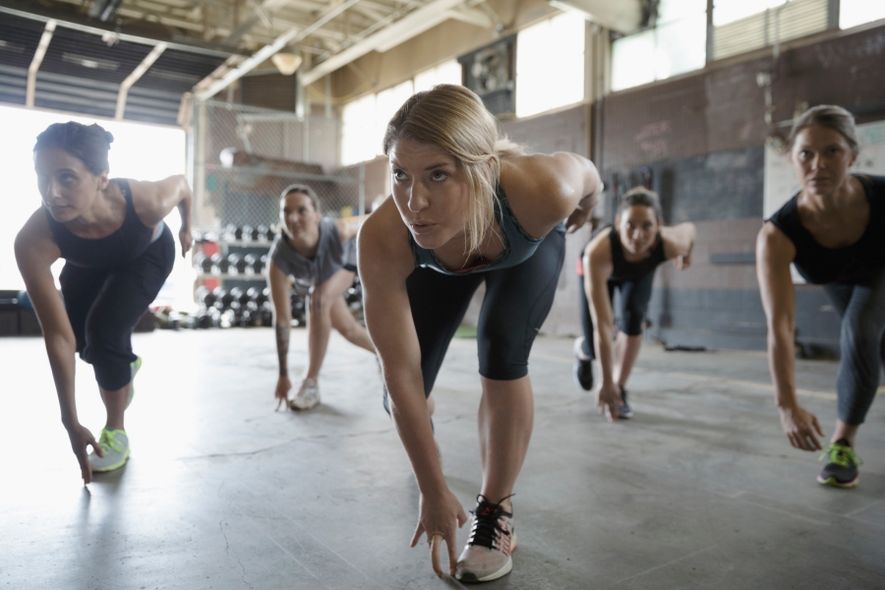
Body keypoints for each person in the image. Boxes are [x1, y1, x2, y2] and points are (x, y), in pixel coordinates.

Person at [358, 84, 602, 583]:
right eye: (400, 174)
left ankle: (495, 513)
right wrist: (431, 486)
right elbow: (400, 374)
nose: (414, 201)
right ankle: (434, 463)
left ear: (483, 168)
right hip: (438, 264)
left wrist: (586, 205)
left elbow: (588, 174)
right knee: (402, 390)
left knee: (501, 348)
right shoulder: (384, 237)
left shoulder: (544, 189)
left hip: (521, 246)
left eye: (438, 175)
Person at [14, 121, 192, 483]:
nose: (52, 193)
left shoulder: (148, 200)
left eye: (67, 178)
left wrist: (188, 226)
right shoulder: (34, 240)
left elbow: (184, 185)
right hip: (88, 262)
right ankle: (124, 368)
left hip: (146, 254)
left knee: (106, 333)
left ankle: (117, 430)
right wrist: (69, 421)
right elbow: (58, 337)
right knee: (80, 335)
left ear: (102, 178)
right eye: (42, 177)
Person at [756, 104, 884, 488]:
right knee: (867, 342)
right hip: (844, 283)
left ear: (853, 156)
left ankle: (842, 442)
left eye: (832, 152)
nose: (818, 165)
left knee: (860, 330)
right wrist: (786, 406)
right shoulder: (778, 235)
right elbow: (780, 327)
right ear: (792, 159)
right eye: (806, 154)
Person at [580, 187, 695, 419]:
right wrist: (604, 380)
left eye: (647, 226)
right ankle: (581, 352)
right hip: (601, 271)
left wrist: (687, 251)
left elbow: (690, 230)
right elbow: (602, 325)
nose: (637, 235)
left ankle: (621, 390)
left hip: (638, 272)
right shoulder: (596, 253)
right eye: (630, 225)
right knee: (595, 345)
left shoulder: (670, 243)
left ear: (659, 225)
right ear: (618, 221)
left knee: (633, 319)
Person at [267, 184, 374, 411]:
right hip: (321, 279)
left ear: (316, 215)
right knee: (349, 330)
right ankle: (390, 358)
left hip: (347, 265)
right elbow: (283, 319)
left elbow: (370, 220)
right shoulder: (279, 259)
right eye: (286, 211)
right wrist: (283, 374)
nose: (293, 218)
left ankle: (311, 383)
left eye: (301, 211)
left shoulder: (338, 230)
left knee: (318, 300)